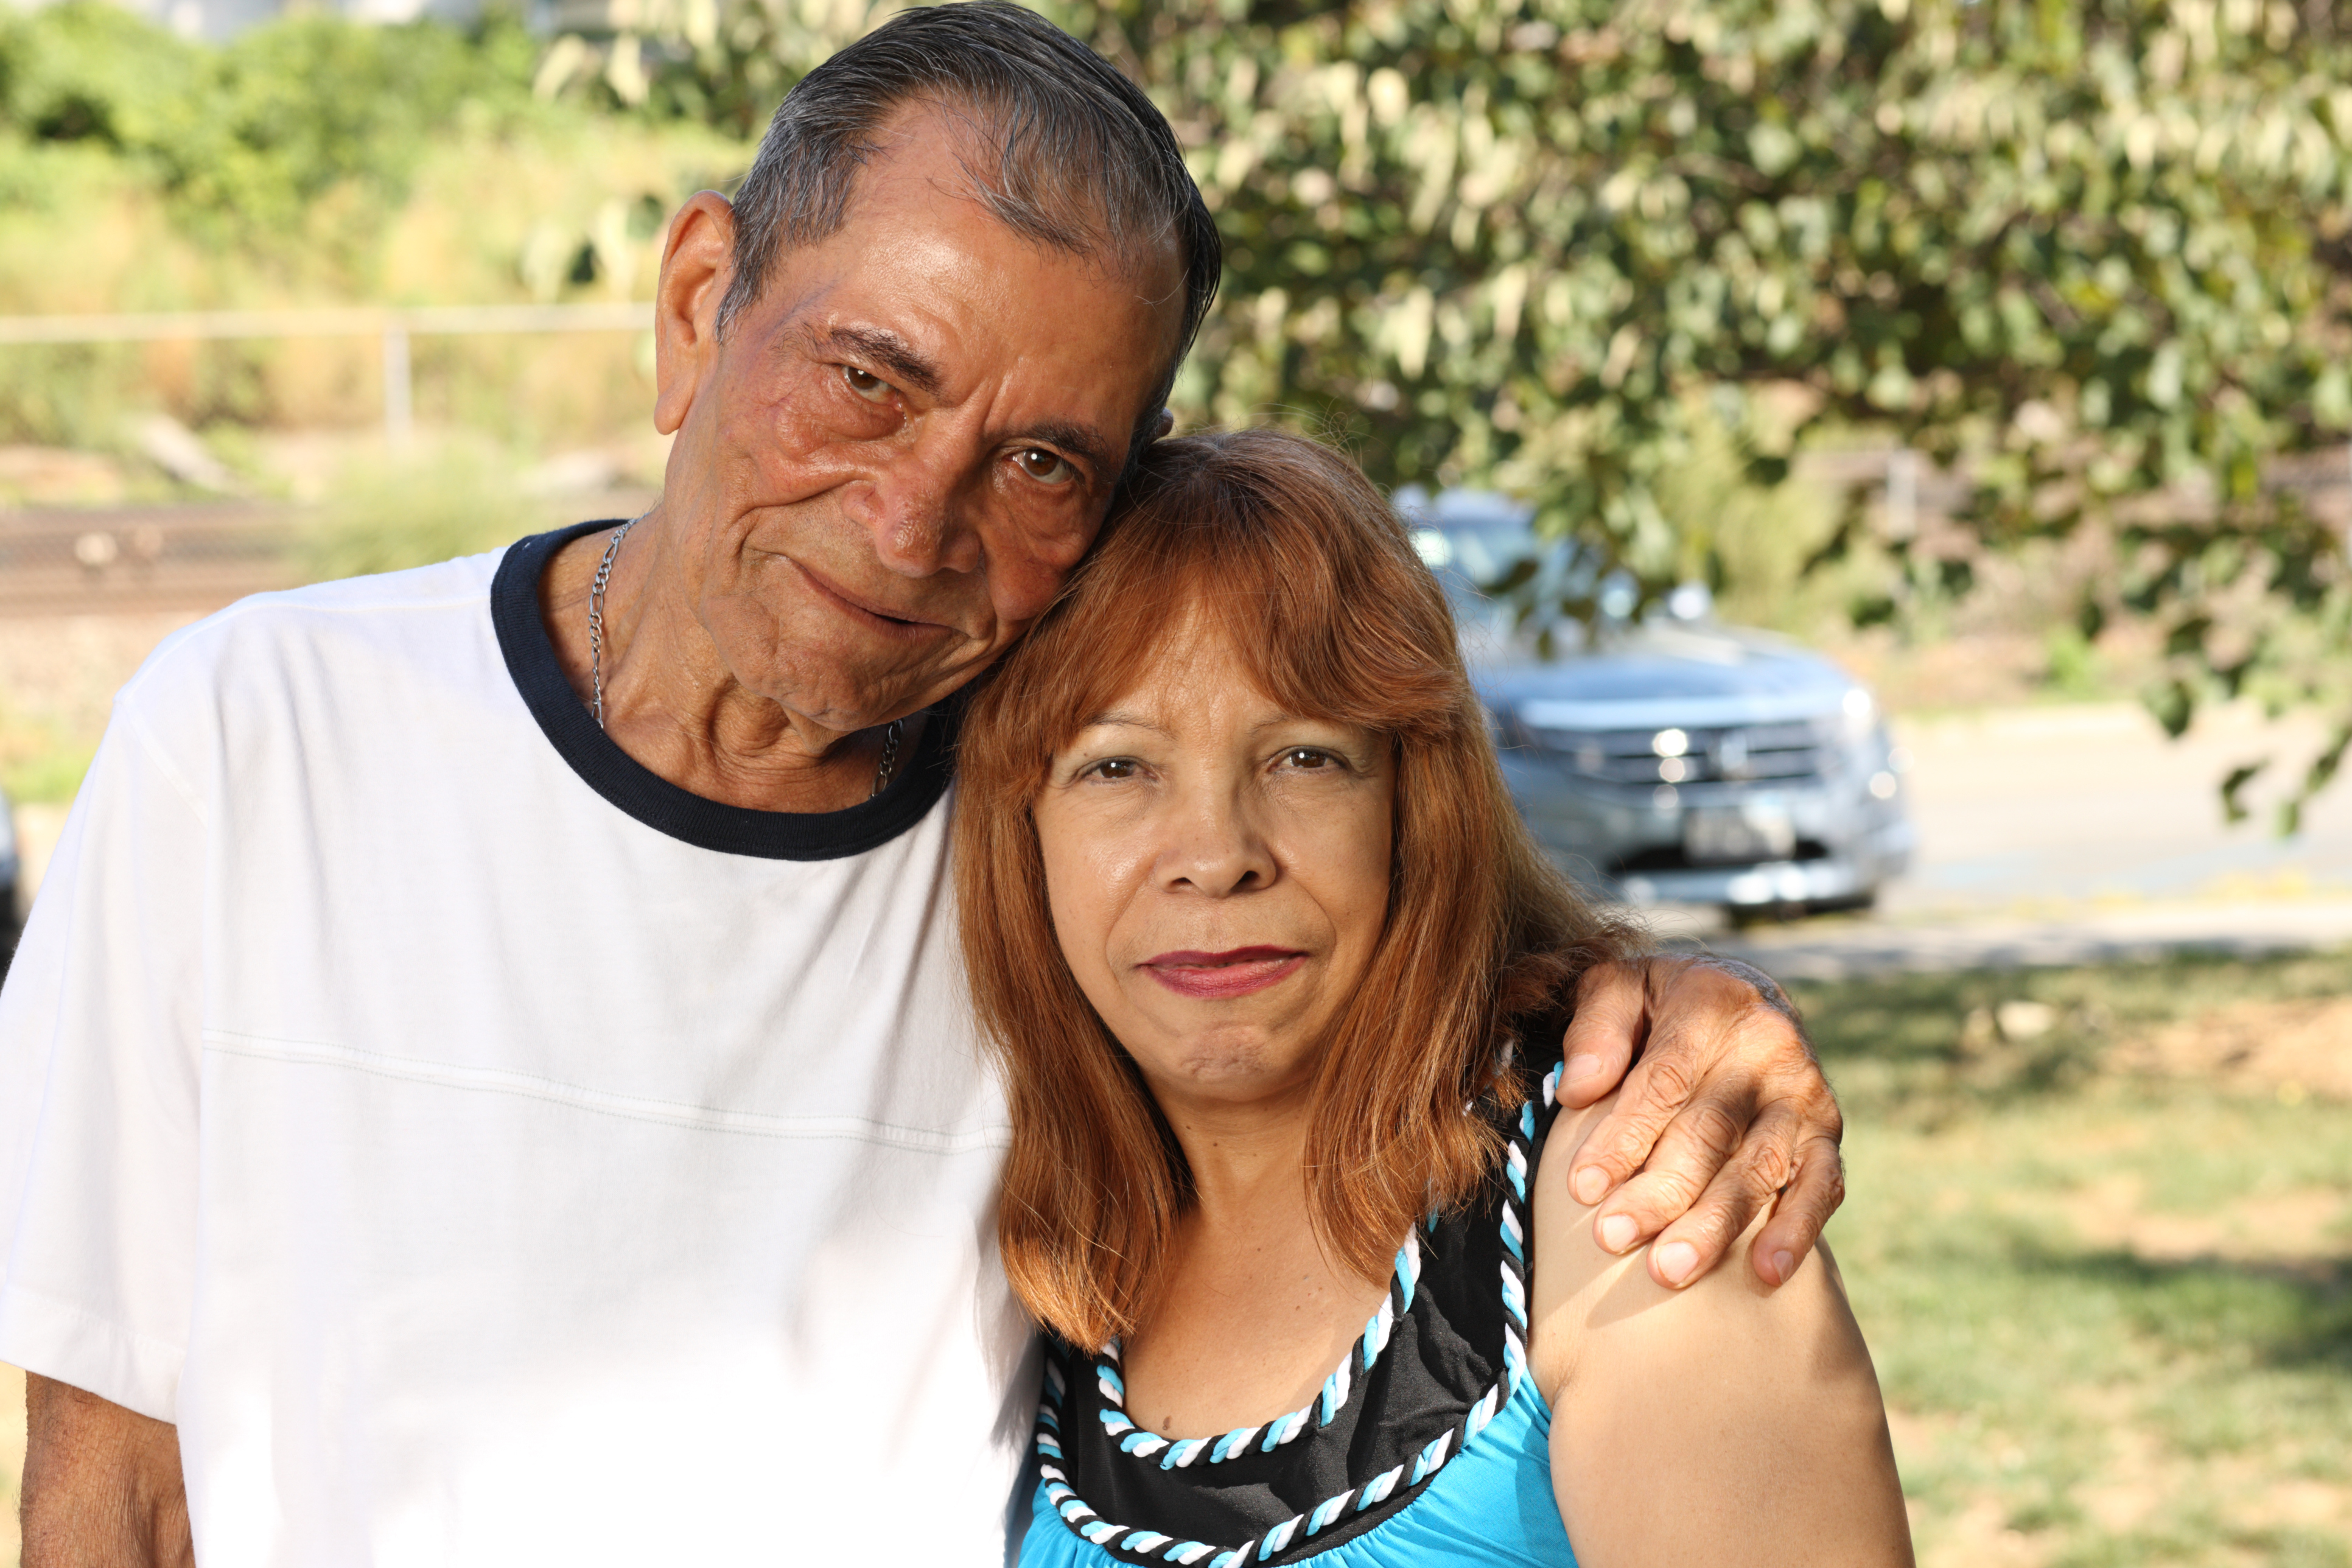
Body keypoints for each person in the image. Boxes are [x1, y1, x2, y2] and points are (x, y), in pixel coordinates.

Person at [0, 7, 1847, 1564]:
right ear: (700, 301)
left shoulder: (1046, 833)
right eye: (869, 377)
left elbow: (1380, 918)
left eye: (1041, 458)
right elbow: (107, 1477)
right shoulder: (251, 737)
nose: (910, 523)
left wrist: (1677, 1009)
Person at [956, 429, 1911, 1566]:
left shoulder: (1635, 1190)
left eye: (1305, 757)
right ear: (1025, 837)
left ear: (1418, 802)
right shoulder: (1032, 1252)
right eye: (1116, 766)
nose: (1216, 855)